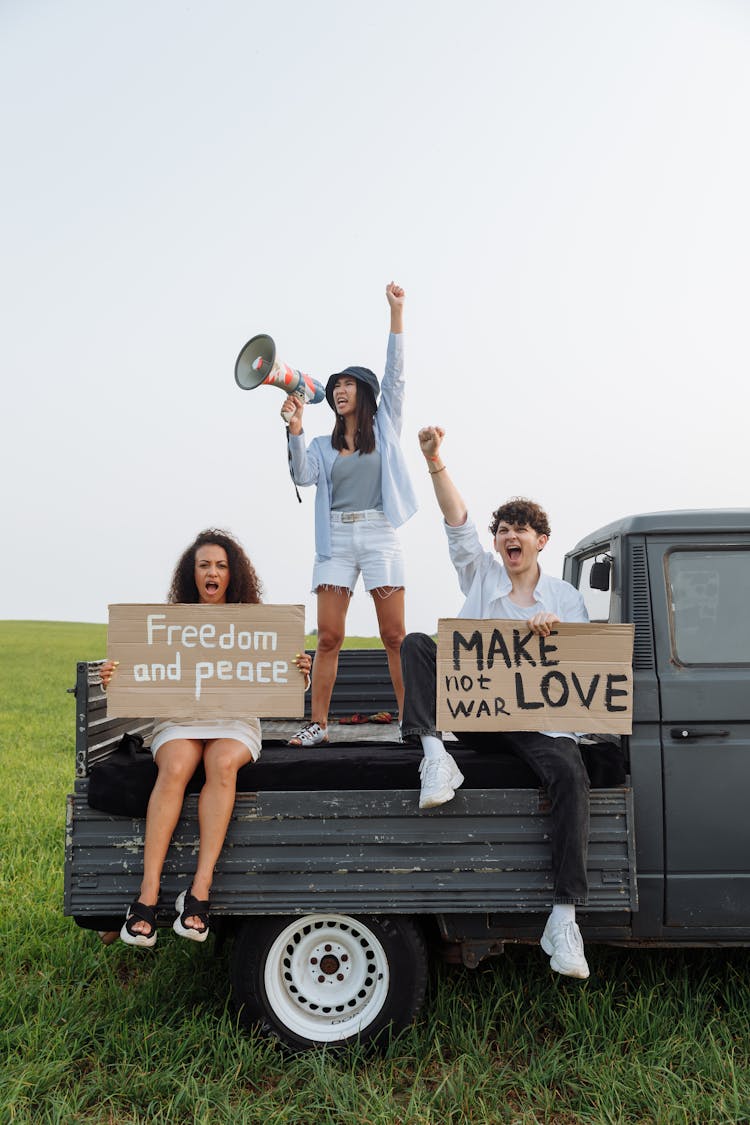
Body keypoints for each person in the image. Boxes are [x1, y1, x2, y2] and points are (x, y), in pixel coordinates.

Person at [400, 427, 592, 979]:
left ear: (541, 541)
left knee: (571, 778)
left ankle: (562, 917)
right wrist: (436, 462)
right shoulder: (482, 573)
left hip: (539, 724)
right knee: (417, 645)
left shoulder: (566, 598)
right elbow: (457, 523)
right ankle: (434, 754)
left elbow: (584, 670)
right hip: (480, 717)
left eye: (521, 531)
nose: (511, 537)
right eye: (503, 530)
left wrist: (556, 634)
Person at [100, 529, 311, 948]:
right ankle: (146, 894)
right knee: (176, 765)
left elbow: (271, 679)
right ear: (191, 573)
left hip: (234, 722)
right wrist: (114, 680)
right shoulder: (169, 623)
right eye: (204, 565)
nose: (212, 572)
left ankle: (199, 892)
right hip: (180, 720)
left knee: (221, 763)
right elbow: (146, 675)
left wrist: (298, 674)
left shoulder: (252, 622)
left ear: (232, 574)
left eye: (220, 565)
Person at [281, 281, 417, 747]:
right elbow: (303, 476)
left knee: (395, 635)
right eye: (335, 385)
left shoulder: (387, 426)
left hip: (379, 532)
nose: (340, 391)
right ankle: (318, 723)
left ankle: (410, 722)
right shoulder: (322, 444)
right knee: (329, 637)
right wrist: (296, 428)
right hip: (335, 539)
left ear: (364, 392)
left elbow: (396, 374)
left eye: (348, 385)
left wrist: (396, 313)